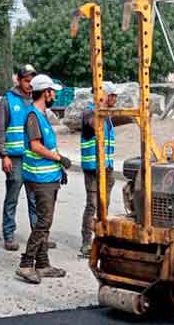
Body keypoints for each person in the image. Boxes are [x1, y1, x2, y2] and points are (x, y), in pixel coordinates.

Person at [17, 73, 73, 284]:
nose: (54, 96)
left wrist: (59, 168)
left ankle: (42, 264)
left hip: (49, 176)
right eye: (52, 92)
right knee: (44, 222)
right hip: (40, 178)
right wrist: (60, 158)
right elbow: (36, 146)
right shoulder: (33, 116)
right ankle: (26, 264)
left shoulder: (42, 115)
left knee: (43, 222)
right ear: (45, 92)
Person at [0, 64, 41, 252]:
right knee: (12, 198)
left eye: (32, 81)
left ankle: (38, 235)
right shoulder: (8, 101)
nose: (30, 84)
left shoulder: (36, 101)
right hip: (14, 158)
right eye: (27, 81)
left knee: (35, 198)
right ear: (19, 81)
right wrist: (3, 155)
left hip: (32, 157)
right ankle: (9, 234)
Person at [79, 82, 117, 258]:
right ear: (103, 95)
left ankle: (100, 240)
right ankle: (86, 243)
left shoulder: (107, 116)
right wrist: (100, 106)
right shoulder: (90, 112)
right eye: (112, 95)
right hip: (93, 168)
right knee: (93, 204)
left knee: (104, 206)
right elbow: (95, 125)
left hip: (106, 167)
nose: (115, 99)